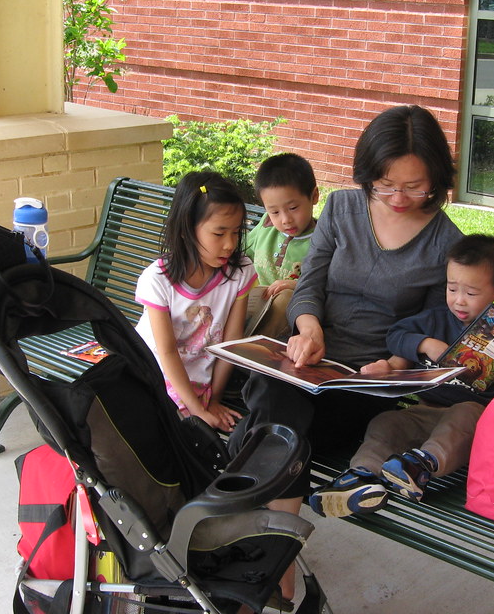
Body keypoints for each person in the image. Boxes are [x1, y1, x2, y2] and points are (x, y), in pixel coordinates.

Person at [227, 104, 463, 606]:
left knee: (276, 427)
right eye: (385, 184)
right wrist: (308, 327)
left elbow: (424, 331)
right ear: (367, 176)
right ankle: (279, 562)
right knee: (279, 398)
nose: (398, 198)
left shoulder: (446, 244)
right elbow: (309, 282)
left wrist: (396, 365)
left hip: (365, 382)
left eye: (414, 186)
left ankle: (264, 558)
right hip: (309, 358)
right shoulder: (342, 208)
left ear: (437, 179)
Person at [308, 233, 494, 518]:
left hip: (473, 420)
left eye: (471, 292)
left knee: (465, 414)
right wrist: (425, 343)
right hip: (424, 411)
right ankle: (362, 477)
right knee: (387, 422)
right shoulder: (435, 319)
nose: (459, 301)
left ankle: (421, 467)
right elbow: (396, 335)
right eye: (452, 288)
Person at [134, 171, 256, 433]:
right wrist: (198, 409)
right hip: (154, 372)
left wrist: (213, 400)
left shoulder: (240, 271)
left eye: (236, 233)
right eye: (219, 233)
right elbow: (165, 352)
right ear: (187, 230)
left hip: (202, 380)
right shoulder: (158, 280)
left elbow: (231, 343)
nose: (230, 245)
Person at [243, 153, 319, 338]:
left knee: (285, 298)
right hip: (254, 305)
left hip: (289, 319)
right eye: (274, 211)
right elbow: (242, 252)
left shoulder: (321, 240)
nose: (285, 220)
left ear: (314, 196)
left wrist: (294, 285)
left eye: (293, 208)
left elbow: (328, 283)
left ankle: (248, 353)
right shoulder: (266, 226)